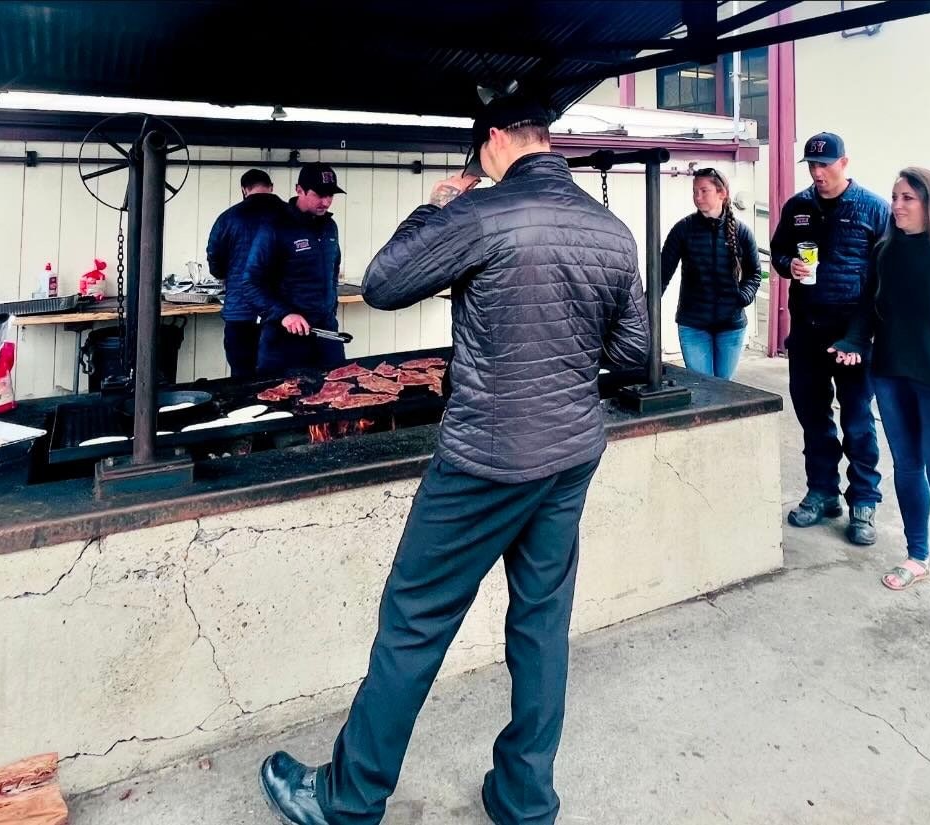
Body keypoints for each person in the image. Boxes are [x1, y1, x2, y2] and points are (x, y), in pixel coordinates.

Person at [258, 94, 650, 825]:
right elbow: (631, 353)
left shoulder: (482, 213)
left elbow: (381, 284)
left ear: (495, 139)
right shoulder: (610, 228)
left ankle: (347, 799)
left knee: (414, 618)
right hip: (569, 452)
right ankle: (524, 798)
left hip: (487, 457)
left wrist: (432, 209)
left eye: (480, 154)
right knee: (540, 625)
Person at [827, 167, 930, 635]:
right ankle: (918, 556)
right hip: (892, 378)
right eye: (895, 197)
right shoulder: (886, 252)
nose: (896, 205)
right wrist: (854, 340)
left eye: (907, 199)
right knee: (907, 469)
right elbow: (866, 308)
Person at [770, 132, 891, 545]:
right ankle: (822, 492)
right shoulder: (799, 206)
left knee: (857, 421)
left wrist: (860, 336)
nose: (818, 172)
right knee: (813, 418)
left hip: (853, 338)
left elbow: (883, 279)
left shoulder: (874, 209)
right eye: (812, 165)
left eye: (825, 164)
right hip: (807, 331)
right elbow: (779, 251)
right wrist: (789, 266)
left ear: (845, 163)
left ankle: (863, 501)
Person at [658, 167, 762, 379]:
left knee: (722, 389)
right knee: (701, 388)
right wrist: (644, 308)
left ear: (722, 193)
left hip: (731, 326)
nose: (698, 197)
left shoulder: (742, 232)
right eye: (695, 191)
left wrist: (742, 298)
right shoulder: (683, 230)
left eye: (704, 191)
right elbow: (660, 274)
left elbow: (754, 275)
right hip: (693, 325)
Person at [246, 162, 346, 376]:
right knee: (281, 401)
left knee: (338, 394)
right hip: (284, 341)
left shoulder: (330, 227)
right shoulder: (275, 227)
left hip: (326, 334)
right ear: (299, 189)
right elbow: (251, 282)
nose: (326, 201)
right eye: (319, 194)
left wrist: (331, 308)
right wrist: (284, 314)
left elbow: (333, 271)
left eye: (331, 195)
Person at [206, 168, 284, 379]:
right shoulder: (289, 215)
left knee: (242, 378)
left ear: (244, 189)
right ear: (271, 188)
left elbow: (215, 262)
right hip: (283, 313)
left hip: (241, 312)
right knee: (284, 381)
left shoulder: (229, 218)